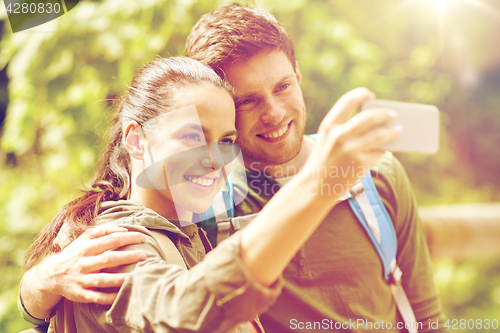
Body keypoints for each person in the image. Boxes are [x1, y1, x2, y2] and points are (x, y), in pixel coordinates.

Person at [20, 56, 400, 332]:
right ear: (137, 140)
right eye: (192, 136)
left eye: (226, 141)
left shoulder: (189, 230)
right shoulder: (112, 247)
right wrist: (316, 185)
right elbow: (185, 310)